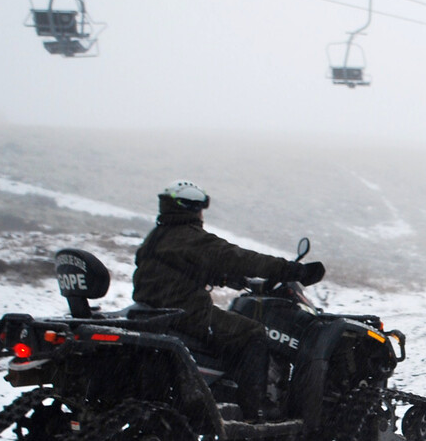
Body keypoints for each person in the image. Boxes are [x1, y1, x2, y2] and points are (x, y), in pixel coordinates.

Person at [132, 180, 325, 420]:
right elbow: (243, 258)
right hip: (188, 314)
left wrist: (225, 278)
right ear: (192, 207)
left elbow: (174, 269)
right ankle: (254, 411)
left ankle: (225, 389)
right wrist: (292, 270)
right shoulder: (192, 238)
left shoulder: (157, 236)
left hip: (152, 312)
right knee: (254, 333)